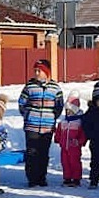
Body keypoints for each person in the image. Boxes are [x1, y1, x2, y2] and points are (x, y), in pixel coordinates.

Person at [18, 59, 64, 188]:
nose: (37, 73)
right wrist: (27, 115)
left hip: (47, 126)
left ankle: (41, 177)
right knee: (32, 152)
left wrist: (53, 117)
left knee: (43, 152)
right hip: (32, 126)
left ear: (46, 72)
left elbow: (59, 105)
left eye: (39, 70)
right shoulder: (30, 86)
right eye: (35, 70)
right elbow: (22, 103)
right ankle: (32, 178)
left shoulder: (55, 88)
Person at [55, 91, 86, 186]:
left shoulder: (79, 122)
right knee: (65, 162)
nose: (68, 112)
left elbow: (83, 135)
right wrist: (57, 139)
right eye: (67, 110)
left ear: (75, 110)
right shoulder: (63, 122)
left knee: (75, 162)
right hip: (64, 146)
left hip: (74, 146)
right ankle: (67, 178)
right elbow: (59, 131)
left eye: (71, 110)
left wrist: (80, 141)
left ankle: (76, 178)